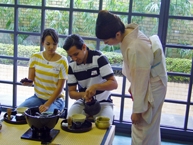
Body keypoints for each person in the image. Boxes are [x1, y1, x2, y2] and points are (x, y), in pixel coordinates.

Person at [95, 10, 167, 145]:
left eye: (106, 40)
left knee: (142, 128)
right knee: (150, 129)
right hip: (150, 80)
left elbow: (141, 81)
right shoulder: (126, 34)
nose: (105, 43)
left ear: (117, 34)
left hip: (152, 85)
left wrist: (137, 111)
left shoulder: (135, 46)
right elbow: (138, 75)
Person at [62, 34, 118, 123]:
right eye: (71, 56)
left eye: (76, 54)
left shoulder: (99, 58)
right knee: (71, 121)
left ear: (84, 47)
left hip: (104, 102)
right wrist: (85, 95)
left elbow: (114, 84)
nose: (74, 58)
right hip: (83, 102)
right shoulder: (72, 66)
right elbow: (72, 93)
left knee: (105, 124)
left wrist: (95, 87)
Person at [18, 28, 68, 113]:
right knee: (19, 111)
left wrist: (47, 104)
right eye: (48, 44)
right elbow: (31, 81)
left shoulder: (62, 61)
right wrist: (27, 83)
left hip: (56, 100)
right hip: (38, 98)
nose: (51, 47)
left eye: (54, 44)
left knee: (46, 118)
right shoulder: (35, 57)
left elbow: (60, 87)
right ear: (42, 43)